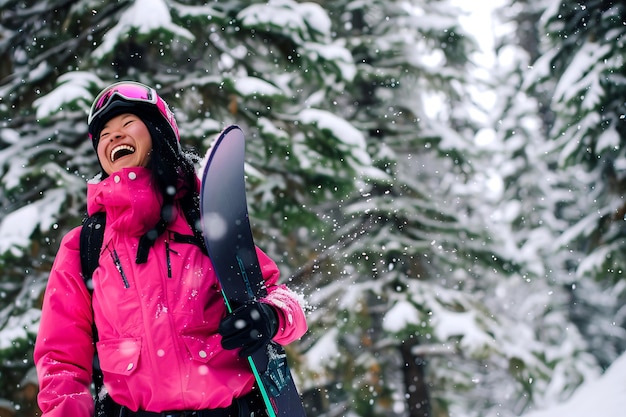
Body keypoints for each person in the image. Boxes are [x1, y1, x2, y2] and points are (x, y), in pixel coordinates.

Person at [34, 81, 308, 417]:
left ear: (158, 132)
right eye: (104, 134)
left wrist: (271, 315)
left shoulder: (204, 220)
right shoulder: (85, 246)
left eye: (127, 124)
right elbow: (61, 360)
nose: (113, 137)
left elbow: (285, 301)